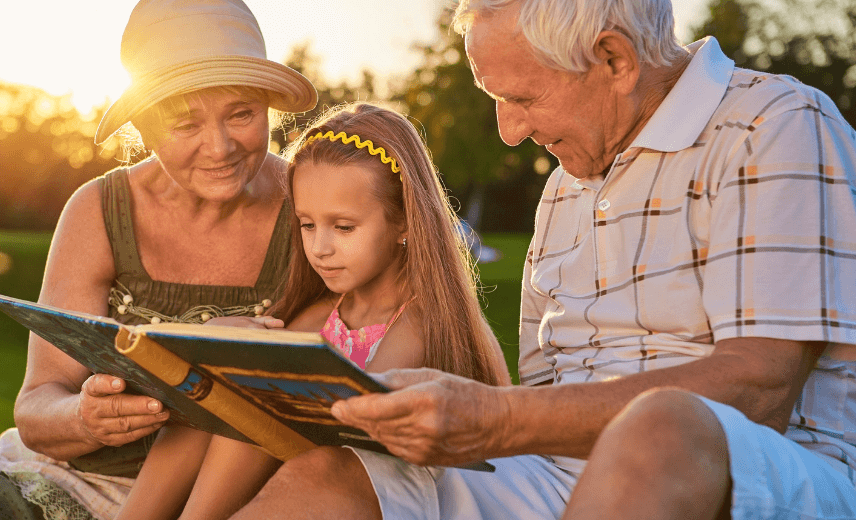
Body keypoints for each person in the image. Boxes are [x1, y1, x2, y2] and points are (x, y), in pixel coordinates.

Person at [231, 0, 856, 519]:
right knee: (334, 477)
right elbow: (544, 393)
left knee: (657, 427)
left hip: (768, 472)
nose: (507, 130)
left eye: (522, 97)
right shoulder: (563, 186)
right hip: (556, 476)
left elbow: (760, 388)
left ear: (614, 59)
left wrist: (498, 419)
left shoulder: (771, 125)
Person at [0, 1, 317, 519]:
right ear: (145, 128)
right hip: (75, 478)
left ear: (268, 106)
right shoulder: (100, 210)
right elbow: (37, 407)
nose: (218, 146)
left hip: (230, 496)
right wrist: (85, 418)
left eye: (241, 114)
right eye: (185, 124)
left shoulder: (313, 206)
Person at [114, 102, 511, 520]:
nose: (320, 248)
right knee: (206, 404)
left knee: (250, 407)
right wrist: (220, 341)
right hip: (304, 480)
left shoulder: (420, 325)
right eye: (307, 225)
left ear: (405, 223)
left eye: (343, 228)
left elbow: (353, 439)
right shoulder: (324, 314)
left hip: (384, 493)